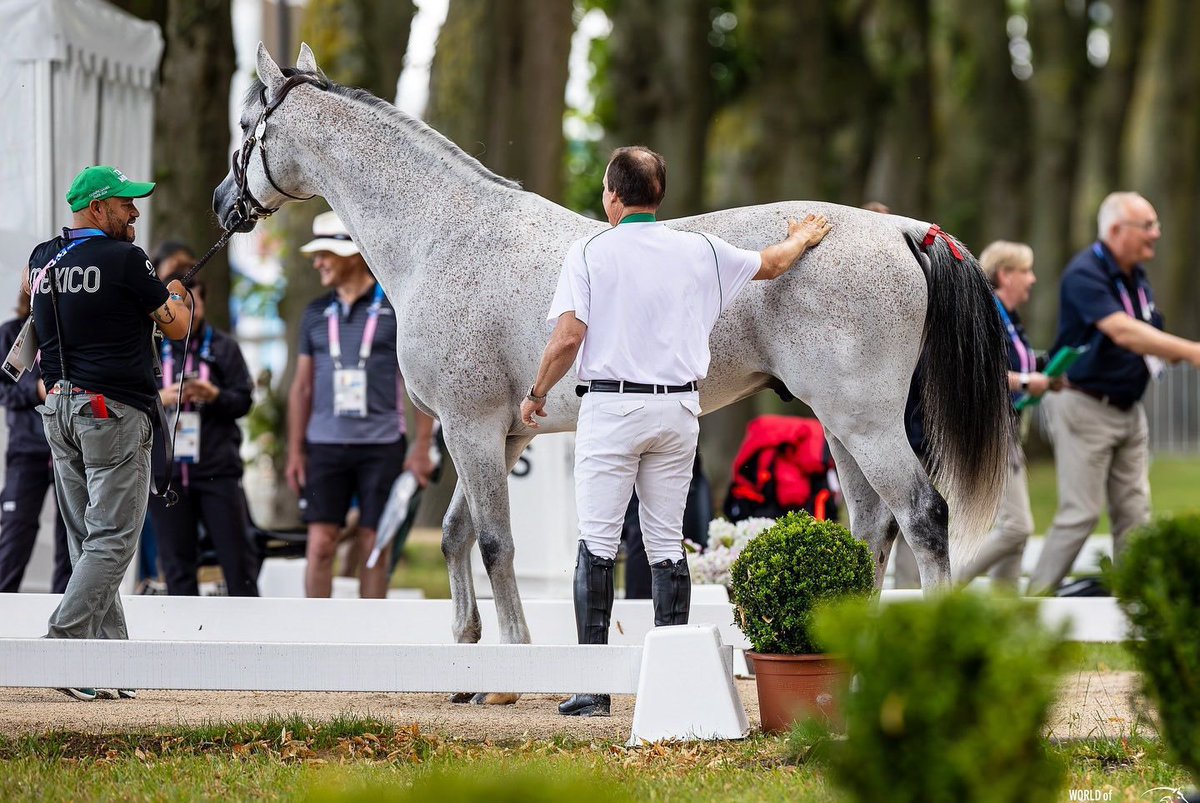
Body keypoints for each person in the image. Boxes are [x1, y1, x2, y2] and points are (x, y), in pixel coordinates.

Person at [520, 146, 832, 717]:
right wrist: (803, 236)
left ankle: (593, 686)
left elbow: (567, 339)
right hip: (677, 411)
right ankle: (671, 678)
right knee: (665, 544)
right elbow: (772, 264)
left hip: (613, 410)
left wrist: (537, 393)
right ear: (658, 196)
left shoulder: (590, 250)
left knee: (597, 541)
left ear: (612, 195)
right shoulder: (700, 249)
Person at [30, 165, 192, 701]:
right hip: (113, 413)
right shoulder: (127, 259)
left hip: (59, 409)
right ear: (98, 209)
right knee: (116, 539)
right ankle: (65, 643)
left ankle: (110, 661)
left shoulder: (42, 258)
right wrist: (176, 295)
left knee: (88, 540)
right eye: (126, 204)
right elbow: (177, 326)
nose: (135, 212)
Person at [1028, 192, 1200, 595]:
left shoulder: (1134, 275)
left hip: (1128, 410)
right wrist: (1190, 352)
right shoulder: (1084, 272)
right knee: (1081, 515)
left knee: (1136, 513)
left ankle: (1133, 605)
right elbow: (1121, 330)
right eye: (1148, 226)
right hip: (1084, 406)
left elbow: (1145, 333)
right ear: (1116, 230)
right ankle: (1032, 606)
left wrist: (1165, 350)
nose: (1156, 234)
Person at [286, 211, 436, 599]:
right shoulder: (316, 313)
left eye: (324, 254)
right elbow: (302, 388)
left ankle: (370, 639)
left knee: (374, 548)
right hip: (324, 447)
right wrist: (295, 451)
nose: (317, 262)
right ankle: (316, 645)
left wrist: (421, 449)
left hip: (381, 446)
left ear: (351, 255)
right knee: (319, 545)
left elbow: (418, 383)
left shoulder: (395, 309)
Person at [148, 275, 259, 596]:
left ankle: (253, 638)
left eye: (194, 306)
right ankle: (185, 640)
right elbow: (132, 401)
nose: (189, 315)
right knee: (176, 566)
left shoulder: (224, 347)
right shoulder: (151, 346)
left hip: (216, 472)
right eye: (181, 307)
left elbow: (243, 401)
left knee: (238, 561)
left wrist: (214, 395)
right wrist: (162, 399)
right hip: (167, 475)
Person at [957, 241, 1059, 589]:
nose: (1032, 279)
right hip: (989, 430)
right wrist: (1028, 382)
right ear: (1005, 274)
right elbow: (979, 372)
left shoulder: (1010, 318)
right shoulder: (985, 314)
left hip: (1008, 428)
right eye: (1025, 271)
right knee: (1017, 527)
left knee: (1015, 535)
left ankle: (1007, 618)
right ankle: (943, 587)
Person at [0, 285, 71, 593]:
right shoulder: (11, 333)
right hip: (26, 449)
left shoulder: (73, 333)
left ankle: (66, 618)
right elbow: (4, 391)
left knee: (70, 537)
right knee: (16, 532)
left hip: (69, 448)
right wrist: (36, 391)